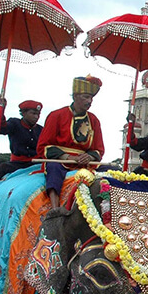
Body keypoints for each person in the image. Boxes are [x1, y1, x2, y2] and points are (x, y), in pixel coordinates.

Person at [37, 75, 104, 209]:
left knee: (112, 173)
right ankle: (55, 210)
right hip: (60, 161)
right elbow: (44, 146)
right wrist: (68, 157)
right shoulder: (56, 115)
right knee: (54, 169)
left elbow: (99, 149)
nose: (89, 101)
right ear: (75, 96)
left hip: (85, 163)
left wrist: (89, 156)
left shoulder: (94, 120)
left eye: (91, 98)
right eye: (85, 97)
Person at [0, 98, 43, 181]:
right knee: (2, 168)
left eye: (38, 114)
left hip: (37, 163)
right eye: (33, 113)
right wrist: (1, 110)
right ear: (23, 113)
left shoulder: (41, 130)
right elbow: (2, 128)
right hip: (18, 163)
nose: (36, 117)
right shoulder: (14, 123)